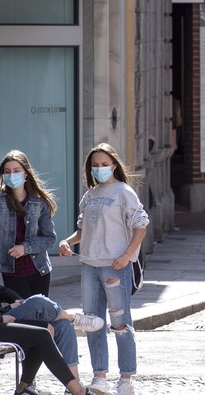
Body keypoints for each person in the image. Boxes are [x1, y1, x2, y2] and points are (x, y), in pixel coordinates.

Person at [58, 142, 150, 395]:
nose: (100, 169)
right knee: (92, 323)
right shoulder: (90, 195)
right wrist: (68, 241)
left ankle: (126, 378)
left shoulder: (124, 191)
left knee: (121, 324)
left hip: (114, 267)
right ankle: (100, 376)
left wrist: (127, 255)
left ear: (114, 165)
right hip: (89, 265)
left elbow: (141, 226)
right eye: (95, 165)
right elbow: (83, 230)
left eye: (104, 165)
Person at [0, 283, 104, 386]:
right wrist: (6, 310)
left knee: (63, 325)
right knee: (38, 303)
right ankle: (73, 318)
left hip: (3, 317)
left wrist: (18, 301)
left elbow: (0, 290)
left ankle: (75, 382)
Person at [0, 150, 58, 297]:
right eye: (7, 171)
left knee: (40, 314)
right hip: (12, 270)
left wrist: (25, 248)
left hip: (39, 268)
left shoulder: (39, 201)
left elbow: (49, 238)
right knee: (24, 317)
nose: (11, 175)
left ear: (26, 173)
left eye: (17, 170)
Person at [0, 321, 94, 395]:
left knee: (48, 327)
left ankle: (23, 386)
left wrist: (15, 301)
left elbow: (2, 291)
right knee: (42, 335)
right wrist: (0, 316)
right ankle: (77, 390)